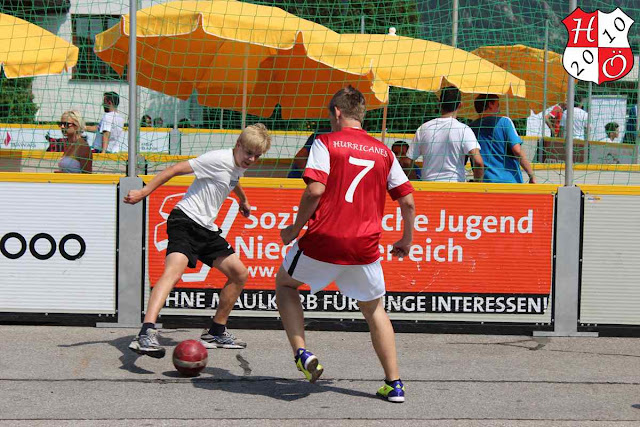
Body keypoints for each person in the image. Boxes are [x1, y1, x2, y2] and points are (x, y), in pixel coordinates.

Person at [276, 86, 416, 403]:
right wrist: (406, 239)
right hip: (363, 248)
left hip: (323, 240)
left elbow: (314, 190)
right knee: (374, 310)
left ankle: (301, 352)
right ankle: (394, 384)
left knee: (285, 284)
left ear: (337, 113)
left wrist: (294, 229)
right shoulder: (385, 152)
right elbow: (407, 201)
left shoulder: (325, 142)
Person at [124, 123, 272, 358]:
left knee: (239, 274)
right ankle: (146, 332)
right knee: (174, 271)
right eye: (248, 153)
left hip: (206, 229)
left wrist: (243, 200)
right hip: (184, 221)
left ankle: (216, 331)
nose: (251, 159)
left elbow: (234, 180)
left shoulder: (237, 164)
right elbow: (174, 169)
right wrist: (144, 192)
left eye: (257, 156)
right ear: (238, 145)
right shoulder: (217, 159)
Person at [408, 86, 484, 182]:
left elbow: (407, 162)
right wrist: (477, 184)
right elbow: (478, 162)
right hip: (454, 187)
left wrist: (414, 181)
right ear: (460, 105)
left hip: (428, 187)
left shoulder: (423, 128)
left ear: (440, 104)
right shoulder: (464, 130)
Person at [469, 94, 536, 184]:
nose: (499, 107)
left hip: (485, 183)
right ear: (490, 104)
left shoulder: (471, 128)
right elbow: (517, 151)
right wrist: (531, 175)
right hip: (509, 182)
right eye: (498, 104)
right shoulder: (504, 122)